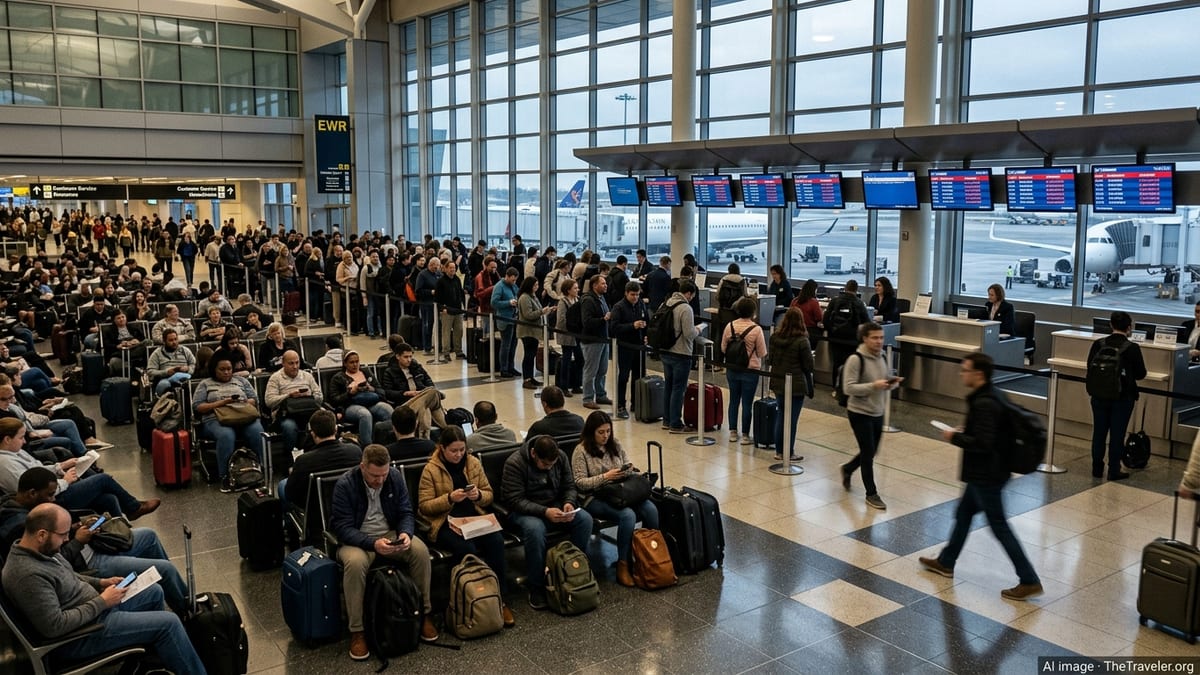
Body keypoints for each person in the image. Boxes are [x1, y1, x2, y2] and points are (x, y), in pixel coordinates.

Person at [2, 504, 206, 674]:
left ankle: (160, 656)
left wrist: (100, 583)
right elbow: (54, 625)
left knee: (153, 591)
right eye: (63, 535)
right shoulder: (28, 575)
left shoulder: (39, 549)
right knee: (168, 623)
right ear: (41, 534)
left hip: (94, 611)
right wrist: (103, 601)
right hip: (82, 635)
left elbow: (69, 576)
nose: (67, 540)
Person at [920, 352, 1044, 601]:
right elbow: (992, 433)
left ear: (978, 374)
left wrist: (953, 436)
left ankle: (1029, 579)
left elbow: (984, 443)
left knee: (999, 526)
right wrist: (968, 430)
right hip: (986, 471)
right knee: (964, 514)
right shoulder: (990, 395)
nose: (961, 374)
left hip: (986, 474)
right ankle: (946, 561)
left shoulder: (984, 402)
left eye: (965, 370)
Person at [0, 468, 188, 613]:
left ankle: (180, 599)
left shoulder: (18, 506)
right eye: (49, 495)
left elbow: (52, 544)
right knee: (165, 569)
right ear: (32, 494)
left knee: (149, 535)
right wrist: (78, 541)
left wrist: (72, 530)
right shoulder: (19, 528)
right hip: (88, 563)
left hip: (88, 548)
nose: (53, 499)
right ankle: (189, 612)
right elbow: (56, 564)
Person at [332, 444, 438, 660]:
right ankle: (357, 630)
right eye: (374, 475)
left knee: (419, 551)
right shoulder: (345, 485)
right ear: (362, 467)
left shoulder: (394, 477)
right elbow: (342, 528)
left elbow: (405, 512)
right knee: (354, 564)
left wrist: (406, 533)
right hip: (359, 539)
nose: (379, 480)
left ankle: (424, 612)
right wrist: (372, 544)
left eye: (383, 474)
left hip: (390, 533)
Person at [417, 426, 515, 627]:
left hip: (474, 518)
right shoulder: (431, 469)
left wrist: (478, 495)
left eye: (462, 449)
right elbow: (425, 506)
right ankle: (465, 598)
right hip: (446, 522)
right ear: (442, 449)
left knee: (495, 541)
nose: (458, 454)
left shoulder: (472, 463)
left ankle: (499, 597)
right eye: (454, 450)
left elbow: (489, 494)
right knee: (465, 549)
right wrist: (449, 499)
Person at [501, 434, 593, 610]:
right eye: (545, 464)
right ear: (534, 453)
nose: (548, 468)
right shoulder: (515, 463)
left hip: (555, 506)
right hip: (524, 511)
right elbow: (514, 500)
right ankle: (536, 586)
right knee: (535, 530)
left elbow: (569, 486)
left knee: (584, 520)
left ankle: (573, 571)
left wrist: (568, 502)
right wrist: (544, 511)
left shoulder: (560, 457)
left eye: (552, 465)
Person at [0, 418, 160, 520]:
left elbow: (38, 470)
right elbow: (30, 492)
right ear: (7, 439)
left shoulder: (15, 452)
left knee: (108, 498)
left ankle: (122, 533)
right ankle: (134, 508)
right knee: (103, 480)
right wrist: (65, 482)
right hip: (50, 499)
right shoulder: (5, 464)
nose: (24, 442)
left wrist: (60, 466)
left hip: (54, 488)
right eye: (20, 438)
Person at [571, 410, 658, 587]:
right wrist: (606, 477)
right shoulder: (580, 451)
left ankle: (650, 555)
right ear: (591, 432)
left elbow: (626, 463)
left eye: (608, 431)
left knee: (650, 509)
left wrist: (627, 470)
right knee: (627, 516)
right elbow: (580, 483)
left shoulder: (615, 444)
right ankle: (623, 563)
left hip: (620, 492)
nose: (605, 436)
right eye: (601, 432)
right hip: (594, 497)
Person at [839, 322, 899, 511]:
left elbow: (883, 380)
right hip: (859, 412)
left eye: (881, 337)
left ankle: (848, 468)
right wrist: (874, 385)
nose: (879, 341)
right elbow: (848, 388)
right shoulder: (856, 360)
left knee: (872, 451)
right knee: (868, 453)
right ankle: (871, 493)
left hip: (877, 411)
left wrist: (891, 383)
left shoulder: (882, 356)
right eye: (874, 337)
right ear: (865, 338)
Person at [1087, 311, 1146, 481]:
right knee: (1117, 434)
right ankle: (1114, 470)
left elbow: (1089, 366)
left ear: (1111, 325)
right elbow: (1140, 373)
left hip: (1098, 396)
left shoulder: (1098, 344)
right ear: (1129, 328)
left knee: (1099, 432)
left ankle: (1096, 468)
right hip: (1123, 397)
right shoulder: (1132, 348)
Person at [193, 357, 265, 491]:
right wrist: (221, 404)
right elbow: (198, 406)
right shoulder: (205, 384)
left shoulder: (241, 381)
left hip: (242, 416)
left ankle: (259, 469)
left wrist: (241, 401)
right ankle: (225, 476)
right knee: (226, 435)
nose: (226, 372)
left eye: (229, 369)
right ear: (214, 370)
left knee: (257, 431)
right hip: (215, 419)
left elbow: (253, 400)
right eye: (222, 369)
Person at [281, 409, 360, 525]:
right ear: (336, 429)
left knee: (282, 485)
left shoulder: (304, 460)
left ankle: (291, 529)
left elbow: (291, 494)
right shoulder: (355, 451)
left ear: (312, 433)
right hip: (351, 506)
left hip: (316, 512)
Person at [721, 296, 768, 445]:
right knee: (747, 403)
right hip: (750, 370)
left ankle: (733, 432)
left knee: (734, 400)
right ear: (753, 312)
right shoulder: (756, 329)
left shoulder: (730, 326)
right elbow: (762, 352)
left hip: (732, 368)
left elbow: (723, 348)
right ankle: (746, 435)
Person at [767, 308, 813, 461]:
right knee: (792, 419)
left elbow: (770, 360)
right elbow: (808, 365)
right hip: (796, 384)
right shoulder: (802, 340)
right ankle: (789, 451)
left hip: (778, 381)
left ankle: (779, 451)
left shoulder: (774, 337)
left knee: (781, 415)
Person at [378, 342, 448, 439]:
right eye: (406, 357)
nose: (409, 360)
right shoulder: (390, 372)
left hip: (421, 398)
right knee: (431, 395)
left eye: (410, 356)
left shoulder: (417, 368)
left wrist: (423, 392)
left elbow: (429, 382)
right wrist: (405, 393)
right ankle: (446, 431)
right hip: (406, 403)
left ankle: (424, 437)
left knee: (424, 407)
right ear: (398, 356)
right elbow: (388, 392)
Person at [661, 280, 702, 434]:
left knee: (669, 386)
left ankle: (666, 419)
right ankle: (675, 423)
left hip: (666, 351)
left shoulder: (666, 303)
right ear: (689, 294)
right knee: (679, 389)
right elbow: (689, 334)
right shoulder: (685, 308)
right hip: (681, 353)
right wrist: (698, 329)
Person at [328, 350, 394, 444]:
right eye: (351, 362)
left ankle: (386, 441)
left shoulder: (366, 372)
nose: (355, 365)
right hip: (350, 405)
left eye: (357, 361)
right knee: (365, 415)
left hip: (371, 402)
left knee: (387, 409)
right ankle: (367, 446)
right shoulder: (338, 378)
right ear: (345, 363)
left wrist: (371, 388)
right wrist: (350, 393)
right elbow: (334, 400)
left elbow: (381, 391)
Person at [265, 350, 323, 454]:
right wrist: (288, 395)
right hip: (286, 415)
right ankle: (289, 458)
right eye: (291, 363)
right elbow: (269, 401)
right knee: (289, 427)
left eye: (297, 362)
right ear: (283, 363)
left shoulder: (307, 376)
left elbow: (320, 397)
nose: (295, 366)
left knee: (325, 420)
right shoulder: (275, 378)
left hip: (307, 411)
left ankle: (318, 455)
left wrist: (308, 395)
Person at [610, 280, 648, 420]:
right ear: (626, 293)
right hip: (625, 347)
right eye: (632, 295)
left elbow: (647, 322)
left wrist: (646, 335)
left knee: (638, 377)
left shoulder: (641, 305)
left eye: (637, 295)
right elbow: (614, 328)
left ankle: (636, 403)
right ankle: (620, 404)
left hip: (639, 347)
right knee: (624, 377)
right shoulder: (618, 307)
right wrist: (632, 326)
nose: (635, 297)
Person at [579, 273, 612, 409]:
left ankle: (600, 394)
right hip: (592, 340)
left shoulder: (601, 298)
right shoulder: (588, 300)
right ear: (594, 285)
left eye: (605, 283)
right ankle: (587, 398)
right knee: (591, 370)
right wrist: (603, 319)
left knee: (602, 369)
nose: (606, 286)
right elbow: (586, 321)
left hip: (603, 338)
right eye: (603, 283)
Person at [823, 279, 870, 375]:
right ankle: (846, 386)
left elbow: (826, 319)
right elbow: (867, 322)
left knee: (836, 364)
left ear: (845, 288)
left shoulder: (835, 301)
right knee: (850, 365)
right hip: (852, 340)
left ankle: (835, 387)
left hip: (835, 338)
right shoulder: (859, 303)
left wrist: (831, 331)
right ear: (856, 290)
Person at [516, 276, 553, 389]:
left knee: (531, 355)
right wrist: (542, 311)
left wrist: (545, 311)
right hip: (527, 331)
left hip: (534, 331)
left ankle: (530, 377)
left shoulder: (533, 296)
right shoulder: (524, 298)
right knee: (528, 355)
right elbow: (528, 314)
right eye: (535, 285)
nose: (537, 287)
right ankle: (526, 379)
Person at [555, 278, 584, 396]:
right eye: (575, 288)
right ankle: (564, 386)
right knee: (566, 360)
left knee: (580, 359)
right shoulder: (563, 302)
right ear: (568, 290)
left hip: (576, 335)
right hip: (566, 335)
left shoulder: (578, 300)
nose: (578, 290)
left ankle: (577, 384)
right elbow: (561, 320)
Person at [491, 266, 521, 379]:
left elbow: (518, 294)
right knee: (506, 345)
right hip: (505, 320)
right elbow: (494, 302)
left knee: (513, 345)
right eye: (512, 280)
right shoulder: (499, 287)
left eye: (515, 280)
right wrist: (508, 303)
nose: (514, 282)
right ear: (507, 276)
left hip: (514, 319)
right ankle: (504, 368)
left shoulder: (513, 286)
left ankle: (511, 366)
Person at [146, 328, 196, 395]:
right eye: (171, 340)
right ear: (164, 341)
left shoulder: (185, 350)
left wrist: (188, 369)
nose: (174, 342)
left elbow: (194, 364)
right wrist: (166, 372)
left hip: (185, 377)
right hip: (166, 379)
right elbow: (150, 372)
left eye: (175, 339)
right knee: (164, 385)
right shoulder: (157, 353)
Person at [437, 259, 467, 361]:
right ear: (445, 269)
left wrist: (463, 307)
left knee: (459, 331)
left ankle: (458, 351)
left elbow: (461, 293)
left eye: (454, 268)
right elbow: (437, 298)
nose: (452, 270)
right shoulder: (441, 281)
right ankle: (446, 352)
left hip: (458, 310)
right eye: (450, 268)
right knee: (446, 332)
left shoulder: (457, 280)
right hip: (446, 311)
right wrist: (441, 309)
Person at [102, 310, 147, 375]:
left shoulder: (133, 327)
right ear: (114, 320)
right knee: (114, 361)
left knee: (148, 342)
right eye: (118, 318)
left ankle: (130, 355)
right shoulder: (108, 331)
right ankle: (129, 356)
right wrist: (118, 345)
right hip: (120, 351)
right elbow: (107, 345)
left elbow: (142, 338)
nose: (121, 319)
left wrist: (136, 340)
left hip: (134, 348)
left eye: (123, 317)